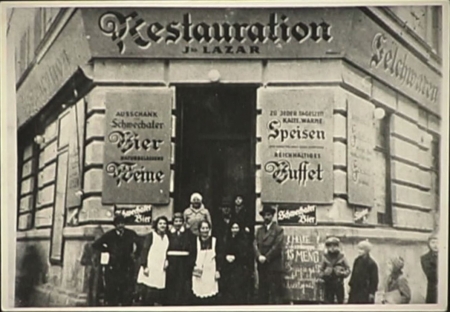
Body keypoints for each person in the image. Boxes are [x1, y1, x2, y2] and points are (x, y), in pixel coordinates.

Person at [92, 214, 140, 306]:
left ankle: (125, 305)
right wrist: (107, 250)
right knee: (113, 288)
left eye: (122, 223)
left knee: (127, 287)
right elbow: (96, 245)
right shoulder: (110, 235)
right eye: (118, 223)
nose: (121, 226)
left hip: (127, 264)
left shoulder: (130, 234)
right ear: (115, 225)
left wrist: (136, 254)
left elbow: (140, 243)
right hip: (113, 265)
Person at [254, 205, 285, 304]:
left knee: (275, 293)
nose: (266, 217)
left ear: (272, 216)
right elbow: (254, 244)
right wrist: (258, 256)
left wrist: (266, 258)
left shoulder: (278, 230)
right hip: (262, 266)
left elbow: (277, 246)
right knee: (263, 292)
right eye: (264, 215)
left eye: (268, 215)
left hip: (273, 266)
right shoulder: (259, 230)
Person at [137, 216, 170, 306]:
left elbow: (166, 250)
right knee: (148, 289)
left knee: (157, 288)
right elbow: (144, 250)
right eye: (160, 223)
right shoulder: (151, 236)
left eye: (164, 224)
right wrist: (144, 266)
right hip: (150, 265)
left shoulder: (167, 237)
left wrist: (166, 260)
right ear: (156, 225)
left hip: (160, 266)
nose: (162, 225)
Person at [188, 220, 223, 305]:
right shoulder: (195, 241)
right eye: (203, 228)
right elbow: (191, 256)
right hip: (199, 270)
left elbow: (219, 256)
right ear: (199, 230)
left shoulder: (215, 241)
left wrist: (218, 270)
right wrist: (193, 267)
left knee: (211, 294)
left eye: (207, 228)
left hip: (211, 271)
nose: (205, 230)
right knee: (198, 293)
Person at [222, 221, 253, 305]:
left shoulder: (243, 239)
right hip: (228, 268)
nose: (235, 230)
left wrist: (235, 257)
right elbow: (222, 251)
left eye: (237, 228)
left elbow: (245, 254)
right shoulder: (226, 239)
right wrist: (226, 257)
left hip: (239, 268)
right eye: (233, 228)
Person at [166, 213, 191, 306]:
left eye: (180, 221)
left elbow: (190, 247)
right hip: (172, 260)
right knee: (171, 281)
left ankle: (181, 302)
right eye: (176, 221)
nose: (178, 223)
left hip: (183, 261)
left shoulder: (188, 233)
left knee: (182, 281)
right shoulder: (168, 233)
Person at [318, 236, 351, 304]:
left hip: (339, 283)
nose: (332, 248)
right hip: (328, 284)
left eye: (334, 246)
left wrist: (342, 273)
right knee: (328, 302)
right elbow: (320, 271)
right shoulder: (325, 257)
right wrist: (325, 273)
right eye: (330, 246)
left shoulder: (341, 257)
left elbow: (348, 270)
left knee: (340, 301)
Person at [421, 233, 438, 303]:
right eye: (433, 242)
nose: (436, 245)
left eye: (438, 242)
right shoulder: (425, 258)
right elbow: (432, 275)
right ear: (428, 244)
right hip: (433, 290)